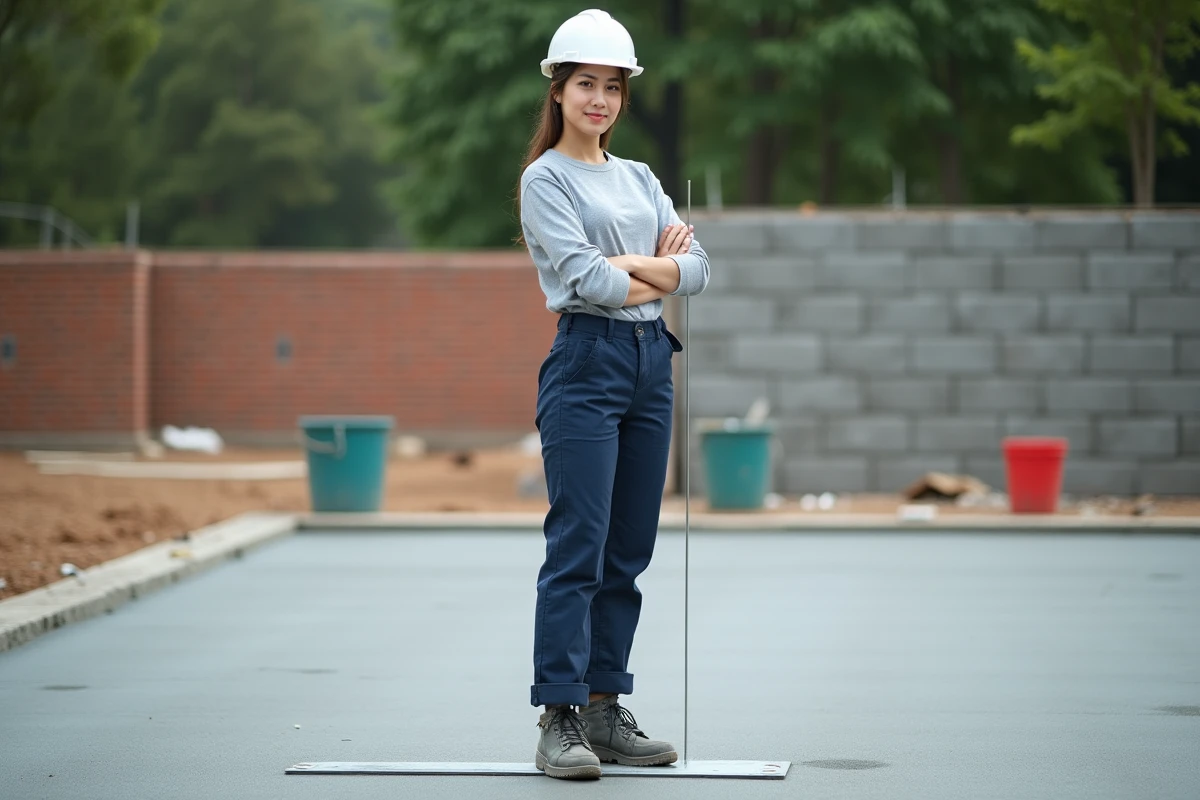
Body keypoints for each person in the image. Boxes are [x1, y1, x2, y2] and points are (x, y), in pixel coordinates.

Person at [515, 8, 710, 781]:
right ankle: (557, 715)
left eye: (612, 86)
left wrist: (636, 267)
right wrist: (652, 264)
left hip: (649, 362)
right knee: (579, 547)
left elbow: (700, 273)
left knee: (628, 550)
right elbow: (590, 283)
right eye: (584, 84)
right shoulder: (544, 180)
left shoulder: (639, 178)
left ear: (624, 97)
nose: (599, 99)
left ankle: (603, 706)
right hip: (585, 365)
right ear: (559, 92)